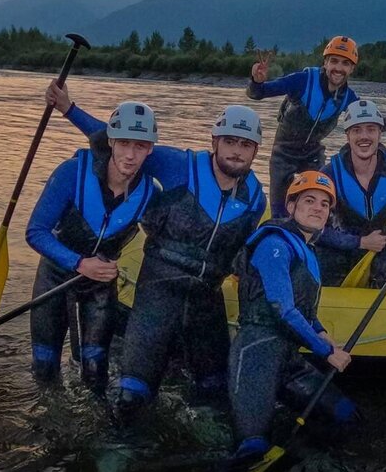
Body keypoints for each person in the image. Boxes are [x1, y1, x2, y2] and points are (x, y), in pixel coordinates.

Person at [46, 82, 266, 419]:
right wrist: (68, 108)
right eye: (230, 141)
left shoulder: (255, 198)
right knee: (131, 398)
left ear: (256, 151)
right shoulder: (178, 165)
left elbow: (245, 252)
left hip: (205, 298)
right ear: (214, 142)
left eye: (245, 145)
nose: (237, 151)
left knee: (215, 393)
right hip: (158, 290)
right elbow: (115, 139)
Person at [25, 101, 159, 393]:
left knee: (96, 370)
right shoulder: (72, 172)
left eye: (140, 146)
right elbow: (35, 232)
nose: (130, 155)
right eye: (124, 143)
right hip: (55, 278)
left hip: (99, 286)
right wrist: (79, 263)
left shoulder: (151, 193)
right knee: (44, 367)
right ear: (110, 141)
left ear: (150, 149)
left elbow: (165, 242)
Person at [229, 170, 356, 461]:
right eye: (309, 200)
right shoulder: (274, 244)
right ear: (290, 206)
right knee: (252, 448)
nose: (318, 208)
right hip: (256, 354)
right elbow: (282, 308)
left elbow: (303, 308)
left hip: (287, 357)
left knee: (348, 416)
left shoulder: (307, 249)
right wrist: (326, 352)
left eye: (324, 204)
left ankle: (308, 456)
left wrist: (321, 331)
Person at [246, 36, 386, 216]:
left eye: (345, 63)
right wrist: (257, 81)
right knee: (280, 210)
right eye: (334, 61)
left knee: (319, 200)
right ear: (325, 62)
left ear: (352, 69)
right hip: (283, 154)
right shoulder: (302, 81)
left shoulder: (349, 99)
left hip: (312, 155)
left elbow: (372, 127)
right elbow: (258, 94)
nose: (338, 68)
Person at [317, 99, 386, 288]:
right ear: (348, 136)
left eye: (371, 129)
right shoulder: (329, 174)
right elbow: (315, 230)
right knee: (317, 269)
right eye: (357, 130)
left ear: (380, 134)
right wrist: (359, 242)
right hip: (342, 245)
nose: (364, 136)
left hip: (385, 244)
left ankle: (377, 288)